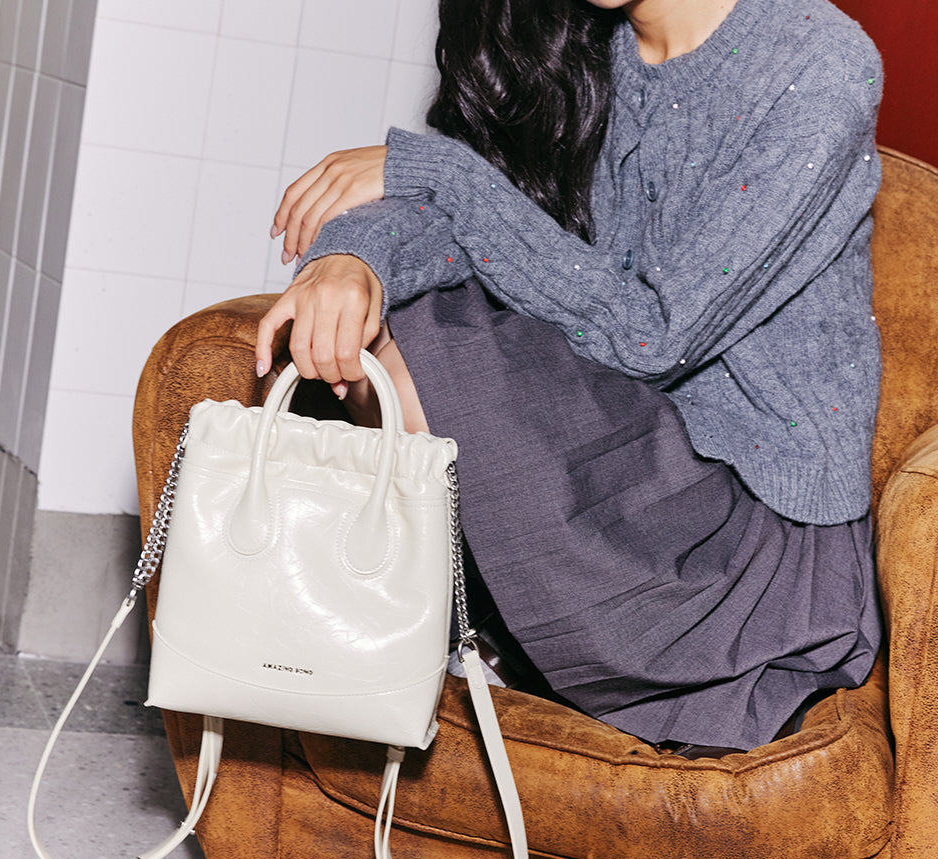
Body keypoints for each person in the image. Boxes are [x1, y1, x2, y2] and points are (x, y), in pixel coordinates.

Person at [254, 0, 883, 755]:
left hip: (749, 535)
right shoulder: (575, 51)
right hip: (626, 454)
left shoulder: (818, 63)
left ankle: (495, 634)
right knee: (394, 328)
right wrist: (350, 261)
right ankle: (458, 627)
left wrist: (443, 175)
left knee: (438, 342)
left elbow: (654, 334)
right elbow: (463, 224)